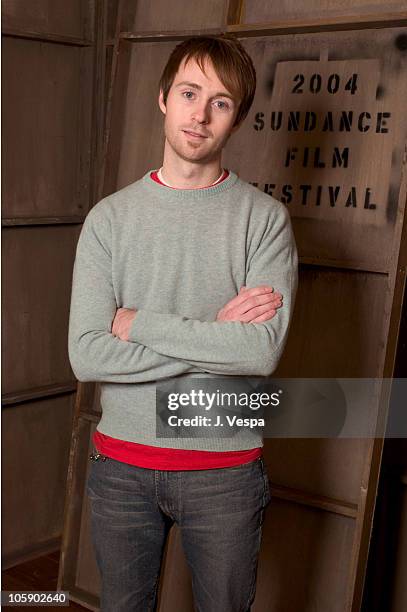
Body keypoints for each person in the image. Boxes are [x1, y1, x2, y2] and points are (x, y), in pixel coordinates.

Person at [68, 35, 298, 612]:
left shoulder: (265, 221)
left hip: (224, 471)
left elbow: (258, 354)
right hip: (120, 467)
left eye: (220, 102)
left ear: (237, 118)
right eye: (189, 93)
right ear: (163, 98)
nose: (200, 114)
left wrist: (138, 322)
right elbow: (88, 356)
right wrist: (214, 328)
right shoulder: (109, 221)